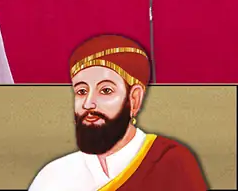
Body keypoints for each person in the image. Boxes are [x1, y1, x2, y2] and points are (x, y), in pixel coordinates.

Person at [28, 35, 208, 190]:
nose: (88, 104)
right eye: (81, 91)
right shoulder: (54, 177)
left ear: (134, 98)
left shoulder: (171, 163)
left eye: (105, 90)